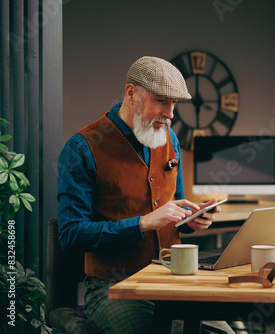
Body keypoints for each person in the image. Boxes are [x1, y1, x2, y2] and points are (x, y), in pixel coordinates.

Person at [57, 56, 235, 334]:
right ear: (131, 94)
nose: (171, 114)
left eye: (174, 104)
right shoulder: (82, 148)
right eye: (162, 101)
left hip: (171, 278)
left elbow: (175, 210)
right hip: (113, 285)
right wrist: (142, 223)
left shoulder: (169, 138)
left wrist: (192, 219)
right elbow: (70, 235)